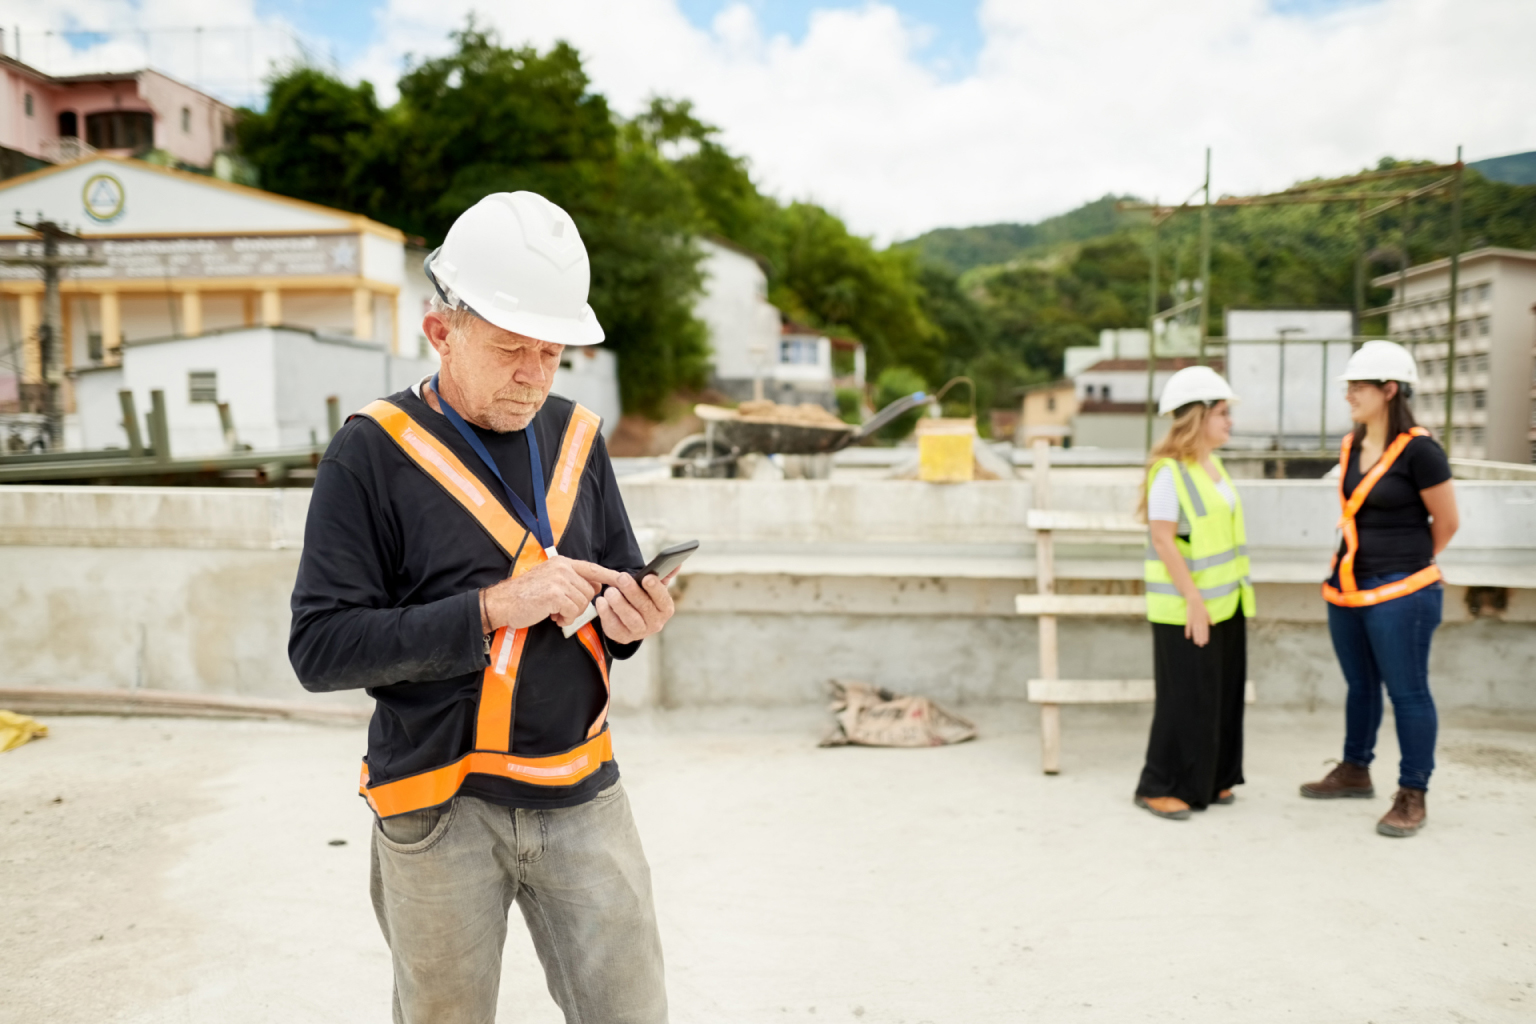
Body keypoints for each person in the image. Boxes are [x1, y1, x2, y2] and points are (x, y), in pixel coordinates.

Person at [289, 191, 674, 1023]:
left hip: (580, 792)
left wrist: (631, 622)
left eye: (552, 353)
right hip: (436, 806)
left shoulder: (576, 439)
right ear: (442, 331)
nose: (535, 376)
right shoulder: (371, 456)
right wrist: (495, 607)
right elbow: (320, 649)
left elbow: (616, 578)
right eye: (510, 350)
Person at [1301, 341, 1458, 838]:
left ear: (1389, 390)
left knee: (1408, 692)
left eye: (1358, 386)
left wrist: (1408, 567)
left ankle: (1413, 793)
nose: (1349, 395)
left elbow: (1448, 522)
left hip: (1402, 590)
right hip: (1348, 587)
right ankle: (1355, 769)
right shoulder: (1352, 446)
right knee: (1360, 685)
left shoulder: (1420, 451)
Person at [1133, 366, 1256, 821]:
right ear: (1198, 416)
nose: (1230, 422)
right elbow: (1164, 540)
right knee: (1184, 697)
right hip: (1186, 606)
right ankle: (1158, 786)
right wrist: (1194, 600)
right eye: (1222, 413)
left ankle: (1213, 778)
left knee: (1221, 695)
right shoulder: (1169, 473)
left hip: (1227, 601)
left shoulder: (1213, 466)